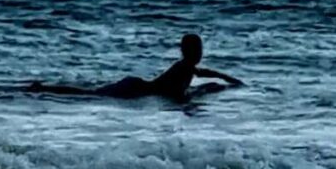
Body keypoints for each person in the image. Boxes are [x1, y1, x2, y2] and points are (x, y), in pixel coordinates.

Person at [29, 33, 243, 102]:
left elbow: (205, 76)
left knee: (92, 93)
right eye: (198, 49)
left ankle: (46, 88)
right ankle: (45, 88)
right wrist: (229, 83)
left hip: (139, 87)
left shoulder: (186, 67)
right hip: (137, 89)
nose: (201, 53)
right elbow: (205, 77)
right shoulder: (185, 67)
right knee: (89, 94)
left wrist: (222, 83)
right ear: (190, 51)